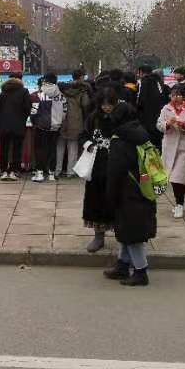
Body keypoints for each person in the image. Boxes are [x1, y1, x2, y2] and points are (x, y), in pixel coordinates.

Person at [102, 102, 157, 287]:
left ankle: (141, 272)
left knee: (132, 235)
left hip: (126, 191)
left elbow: (114, 171)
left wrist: (110, 196)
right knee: (127, 231)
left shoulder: (120, 139)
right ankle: (122, 265)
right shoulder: (140, 132)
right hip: (142, 187)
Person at [80, 87, 119, 253]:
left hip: (117, 165)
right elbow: (83, 135)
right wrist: (89, 145)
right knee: (96, 200)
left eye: (109, 104)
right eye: (103, 104)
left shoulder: (122, 117)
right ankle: (98, 236)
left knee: (117, 201)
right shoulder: (93, 118)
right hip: (96, 166)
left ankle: (123, 236)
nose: (107, 107)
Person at [156, 82, 185, 219]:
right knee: (172, 177)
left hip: (184, 147)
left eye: (178, 95)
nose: (175, 97)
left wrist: (184, 124)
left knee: (178, 178)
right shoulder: (166, 108)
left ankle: (179, 204)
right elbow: (159, 125)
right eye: (173, 95)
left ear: (184, 96)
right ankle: (178, 203)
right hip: (169, 145)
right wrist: (167, 124)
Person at [30, 73, 68, 183]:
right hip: (56, 126)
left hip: (41, 126)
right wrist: (59, 122)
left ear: (45, 81)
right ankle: (52, 173)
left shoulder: (38, 95)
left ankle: (40, 173)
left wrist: (34, 121)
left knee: (40, 149)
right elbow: (65, 111)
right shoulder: (61, 95)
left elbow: (34, 111)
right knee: (53, 149)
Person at [57, 69, 92, 178]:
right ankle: (70, 171)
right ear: (81, 77)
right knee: (73, 146)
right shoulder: (82, 90)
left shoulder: (62, 88)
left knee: (60, 146)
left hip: (61, 119)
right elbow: (86, 104)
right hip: (76, 119)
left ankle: (57, 170)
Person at [0, 72, 32, 181]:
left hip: (4, 124)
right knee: (17, 148)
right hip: (18, 124)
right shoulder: (24, 91)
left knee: (4, 148)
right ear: (20, 79)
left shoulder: (3, 92)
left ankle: (4, 170)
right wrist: (22, 118)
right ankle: (14, 171)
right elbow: (28, 108)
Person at [136, 65, 169, 149]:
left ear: (141, 72)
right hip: (157, 113)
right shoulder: (157, 81)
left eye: (138, 73)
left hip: (147, 115)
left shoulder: (144, 81)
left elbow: (141, 99)